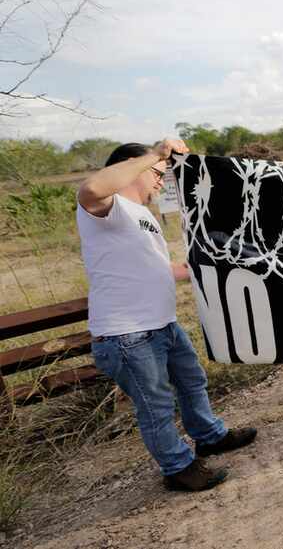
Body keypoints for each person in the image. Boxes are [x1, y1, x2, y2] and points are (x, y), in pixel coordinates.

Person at [77, 139, 257, 492]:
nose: (162, 180)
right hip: (127, 334)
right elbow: (91, 187)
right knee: (156, 406)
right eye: (159, 173)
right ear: (134, 165)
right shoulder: (104, 206)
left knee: (192, 382)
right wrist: (155, 154)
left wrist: (212, 266)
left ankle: (209, 436)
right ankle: (178, 468)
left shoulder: (142, 215)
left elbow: (161, 269)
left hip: (162, 326)